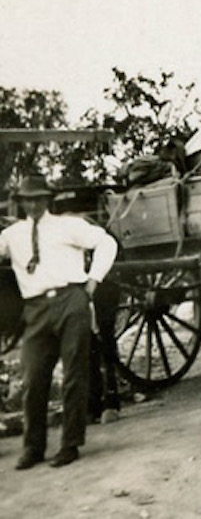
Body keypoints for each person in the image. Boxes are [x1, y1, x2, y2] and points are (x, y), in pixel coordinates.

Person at [0, 174, 118, 469]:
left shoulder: (69, 226)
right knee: (33, 377)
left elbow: (107, 243)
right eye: (28, 199)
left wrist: (93, 282)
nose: (34, 204)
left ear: (47, 199)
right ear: (21, 202)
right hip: (36, 308)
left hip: (70, 301)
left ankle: (70, 444)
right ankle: (33, 448)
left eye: (39, 198)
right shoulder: (11, 235)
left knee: (74, 373)